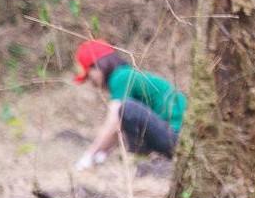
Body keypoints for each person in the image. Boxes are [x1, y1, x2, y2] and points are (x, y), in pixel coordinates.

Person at [70, 39, 187, 172]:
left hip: (176, 138)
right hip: (177, 138)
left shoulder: (121, 77)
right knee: (125, 112)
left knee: (127, 108)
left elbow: (113, 122)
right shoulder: (127, 75)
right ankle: (145, 163)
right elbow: (117, 128)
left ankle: (144, 165)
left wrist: (88, 156)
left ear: (98, 66)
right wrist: (100, 156)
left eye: (89, 76)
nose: (92, 83)